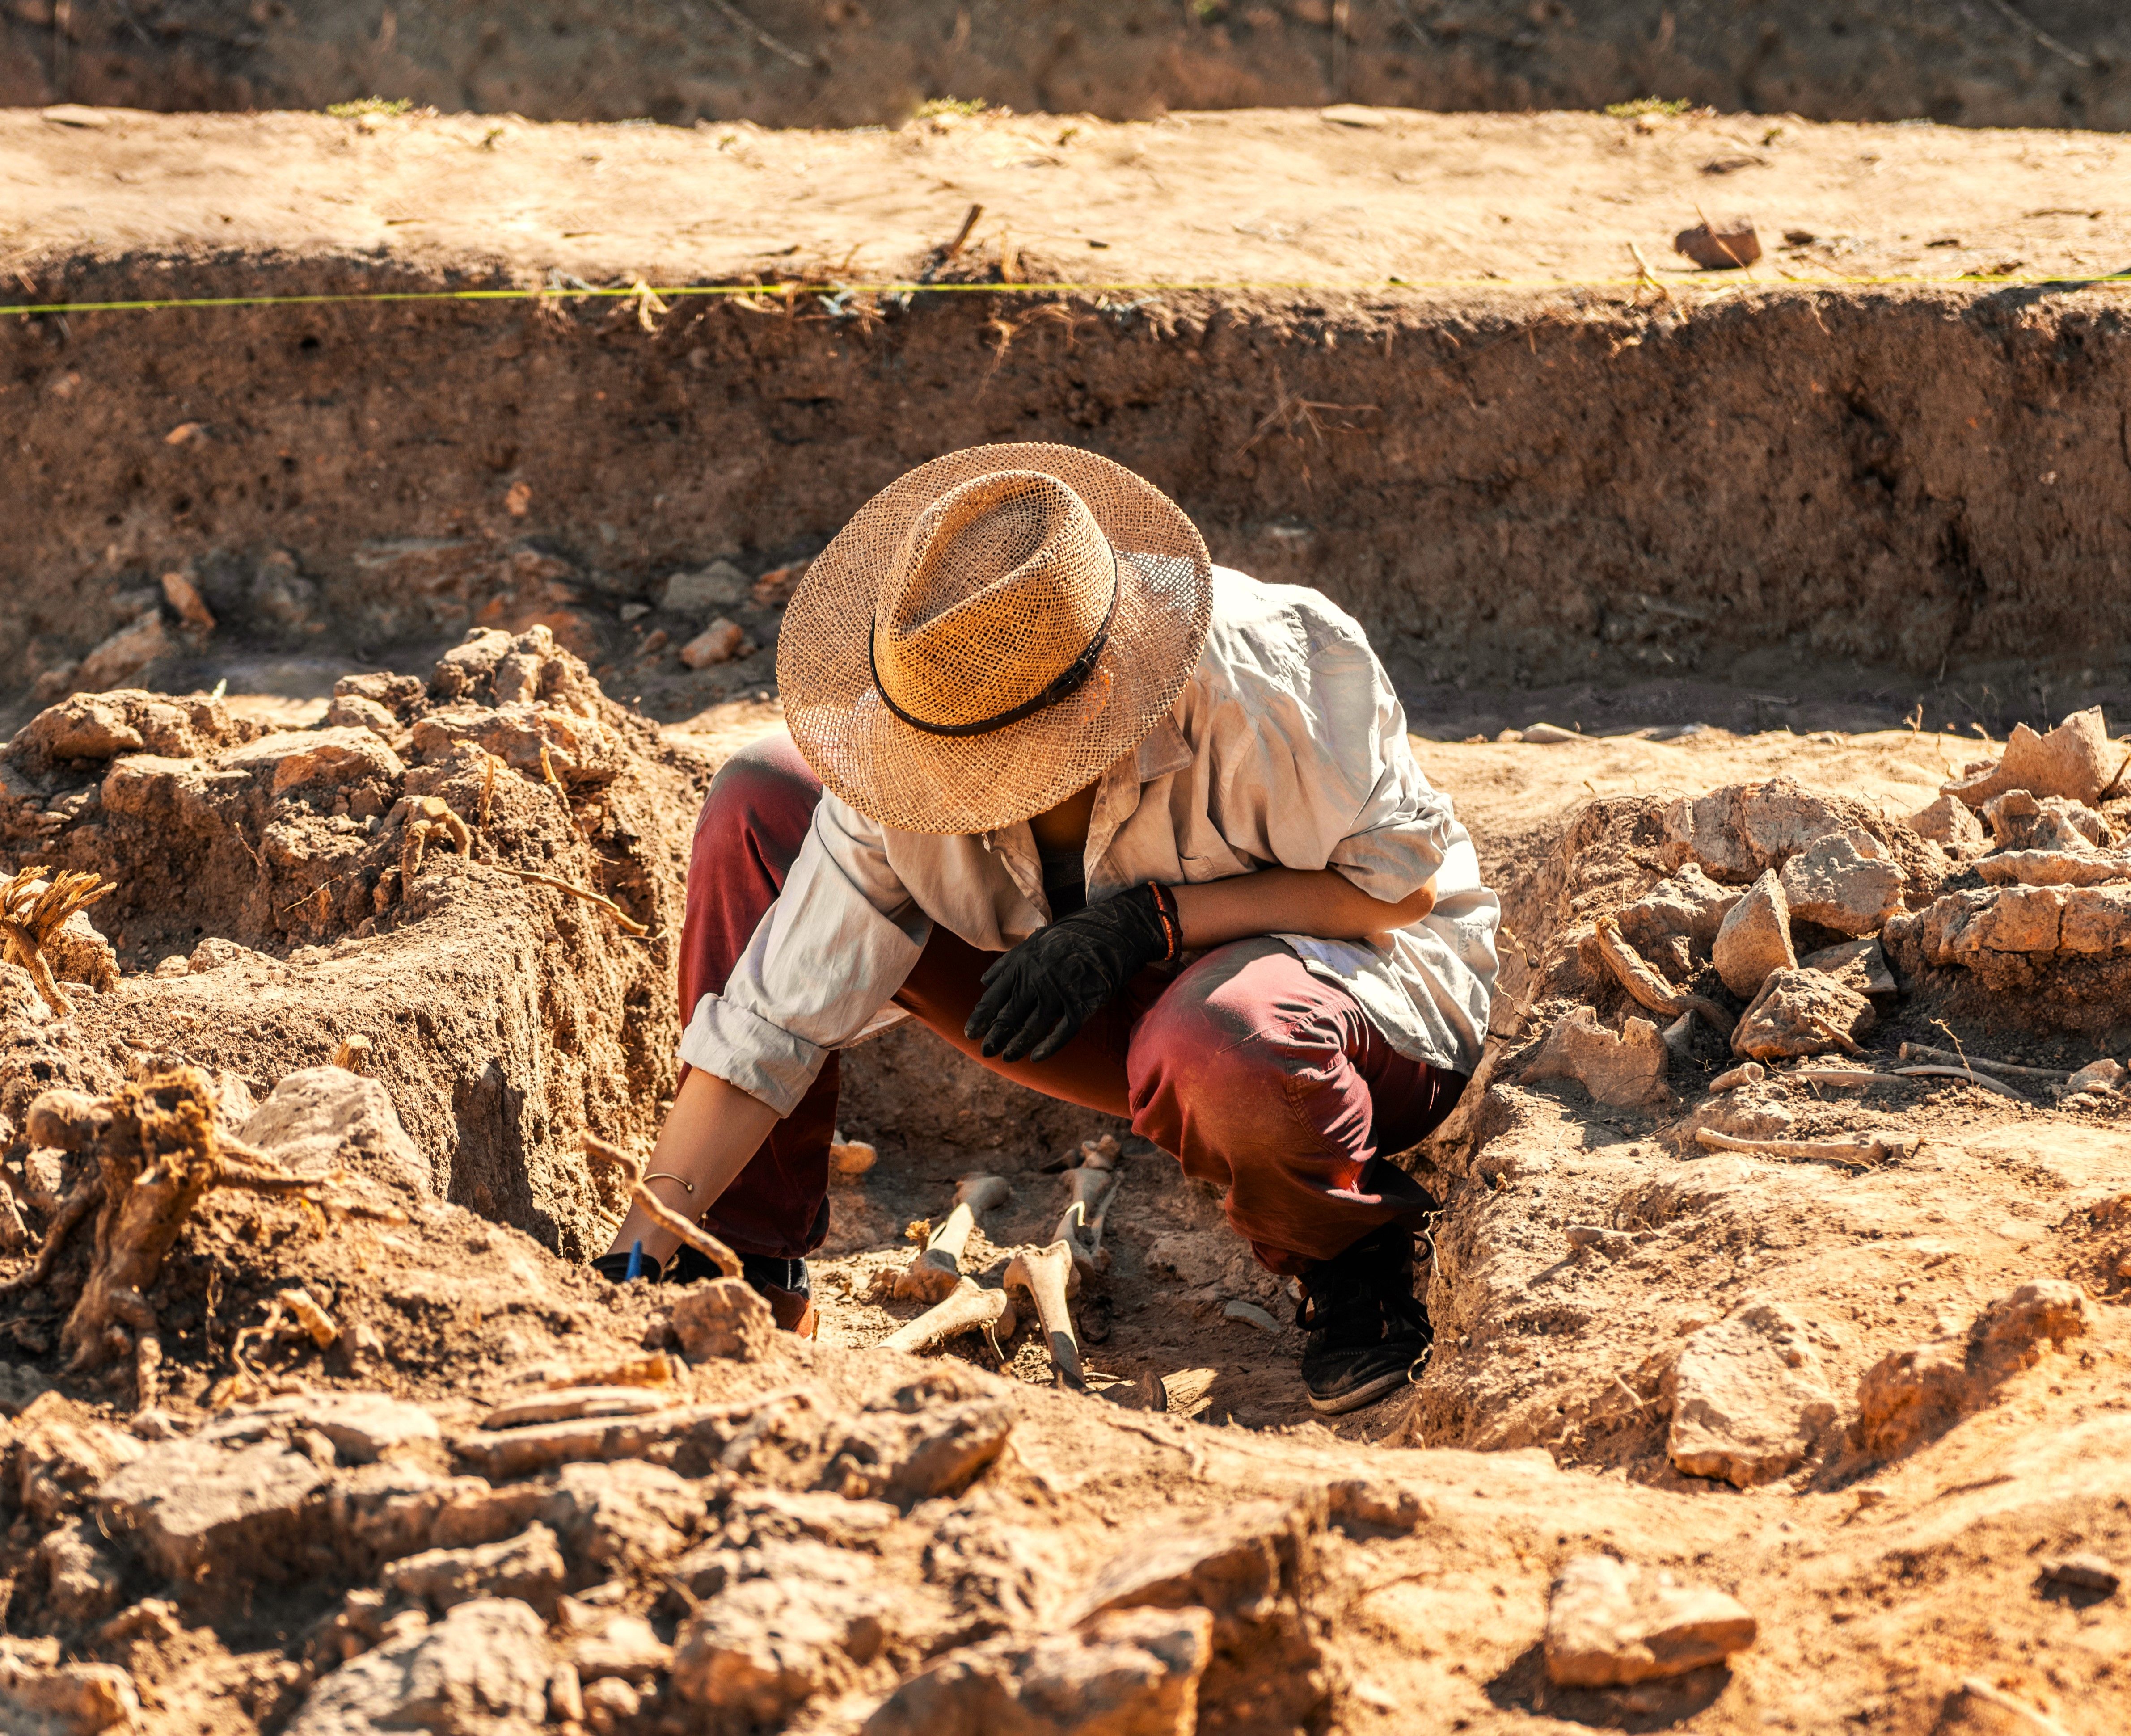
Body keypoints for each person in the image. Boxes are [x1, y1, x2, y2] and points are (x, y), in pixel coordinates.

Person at [591, 444, 1499, 1415]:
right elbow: (773, 1011)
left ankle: (1347, 1245)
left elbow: (1396, 893)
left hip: (1349, 1009)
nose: (951, 793)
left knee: (1220, 1034)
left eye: (994, 763)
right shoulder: (921, 717)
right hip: (1100, 1010)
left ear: (1098, 699)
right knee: (762, 796)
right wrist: (650, 1237)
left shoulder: (1271, 675)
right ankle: (737, 1265)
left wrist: (1151, 923)